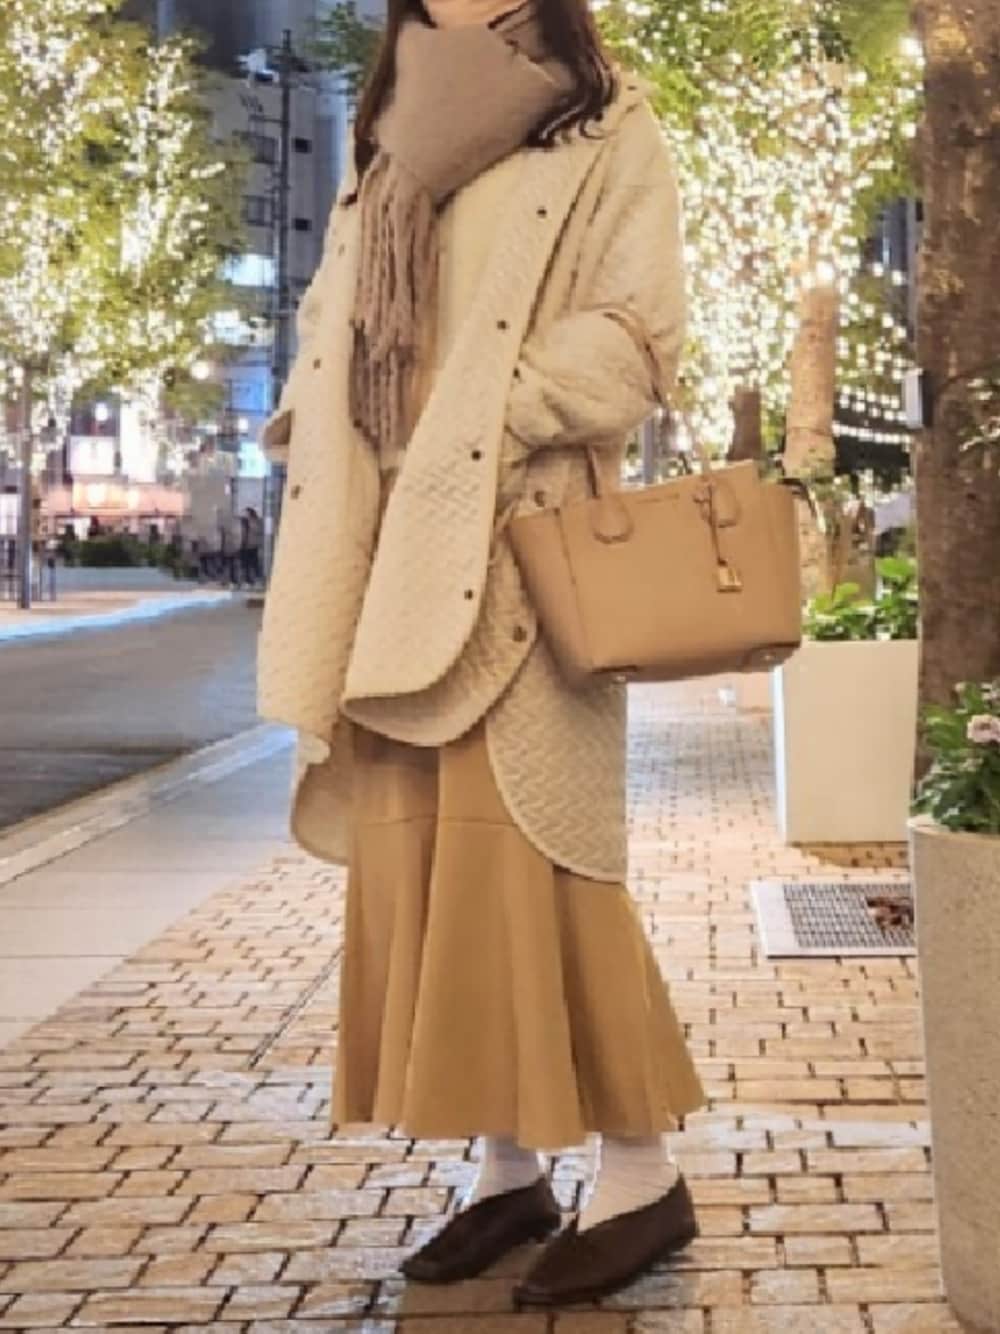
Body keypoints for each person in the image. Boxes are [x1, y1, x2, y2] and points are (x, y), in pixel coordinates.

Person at [258, 0, 705, 1307]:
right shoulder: (386, 129)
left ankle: (641, 1172)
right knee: (431, 872)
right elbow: (335, 312)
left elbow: (636, 334)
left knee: (541, 864)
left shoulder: (603, 119)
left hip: (514, 551)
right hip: (385, 558)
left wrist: (481, 414)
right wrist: (312, 412)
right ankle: (509, 1170)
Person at [241, 507, 264, 586]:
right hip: (244, 545)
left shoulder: (255, 521)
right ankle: (247, 579)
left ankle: (253, 579)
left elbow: (258, 530)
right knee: (245, 564)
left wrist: (250, 522)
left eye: (245, 513)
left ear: (250, 513)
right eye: (244, 513)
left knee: (253, 563)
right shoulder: (243, 521)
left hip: (252, 545)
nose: (244, 514)